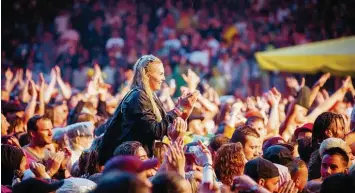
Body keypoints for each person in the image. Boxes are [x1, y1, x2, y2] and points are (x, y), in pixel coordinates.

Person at [98, 54, 198, 165]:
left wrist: (184, 112)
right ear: (147, 75)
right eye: (160, 74)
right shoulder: (138, 97)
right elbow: (155, 131)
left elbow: (164, 126)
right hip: (131, 163)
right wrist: (178, 109)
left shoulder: (150, 96)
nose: (163, 78)